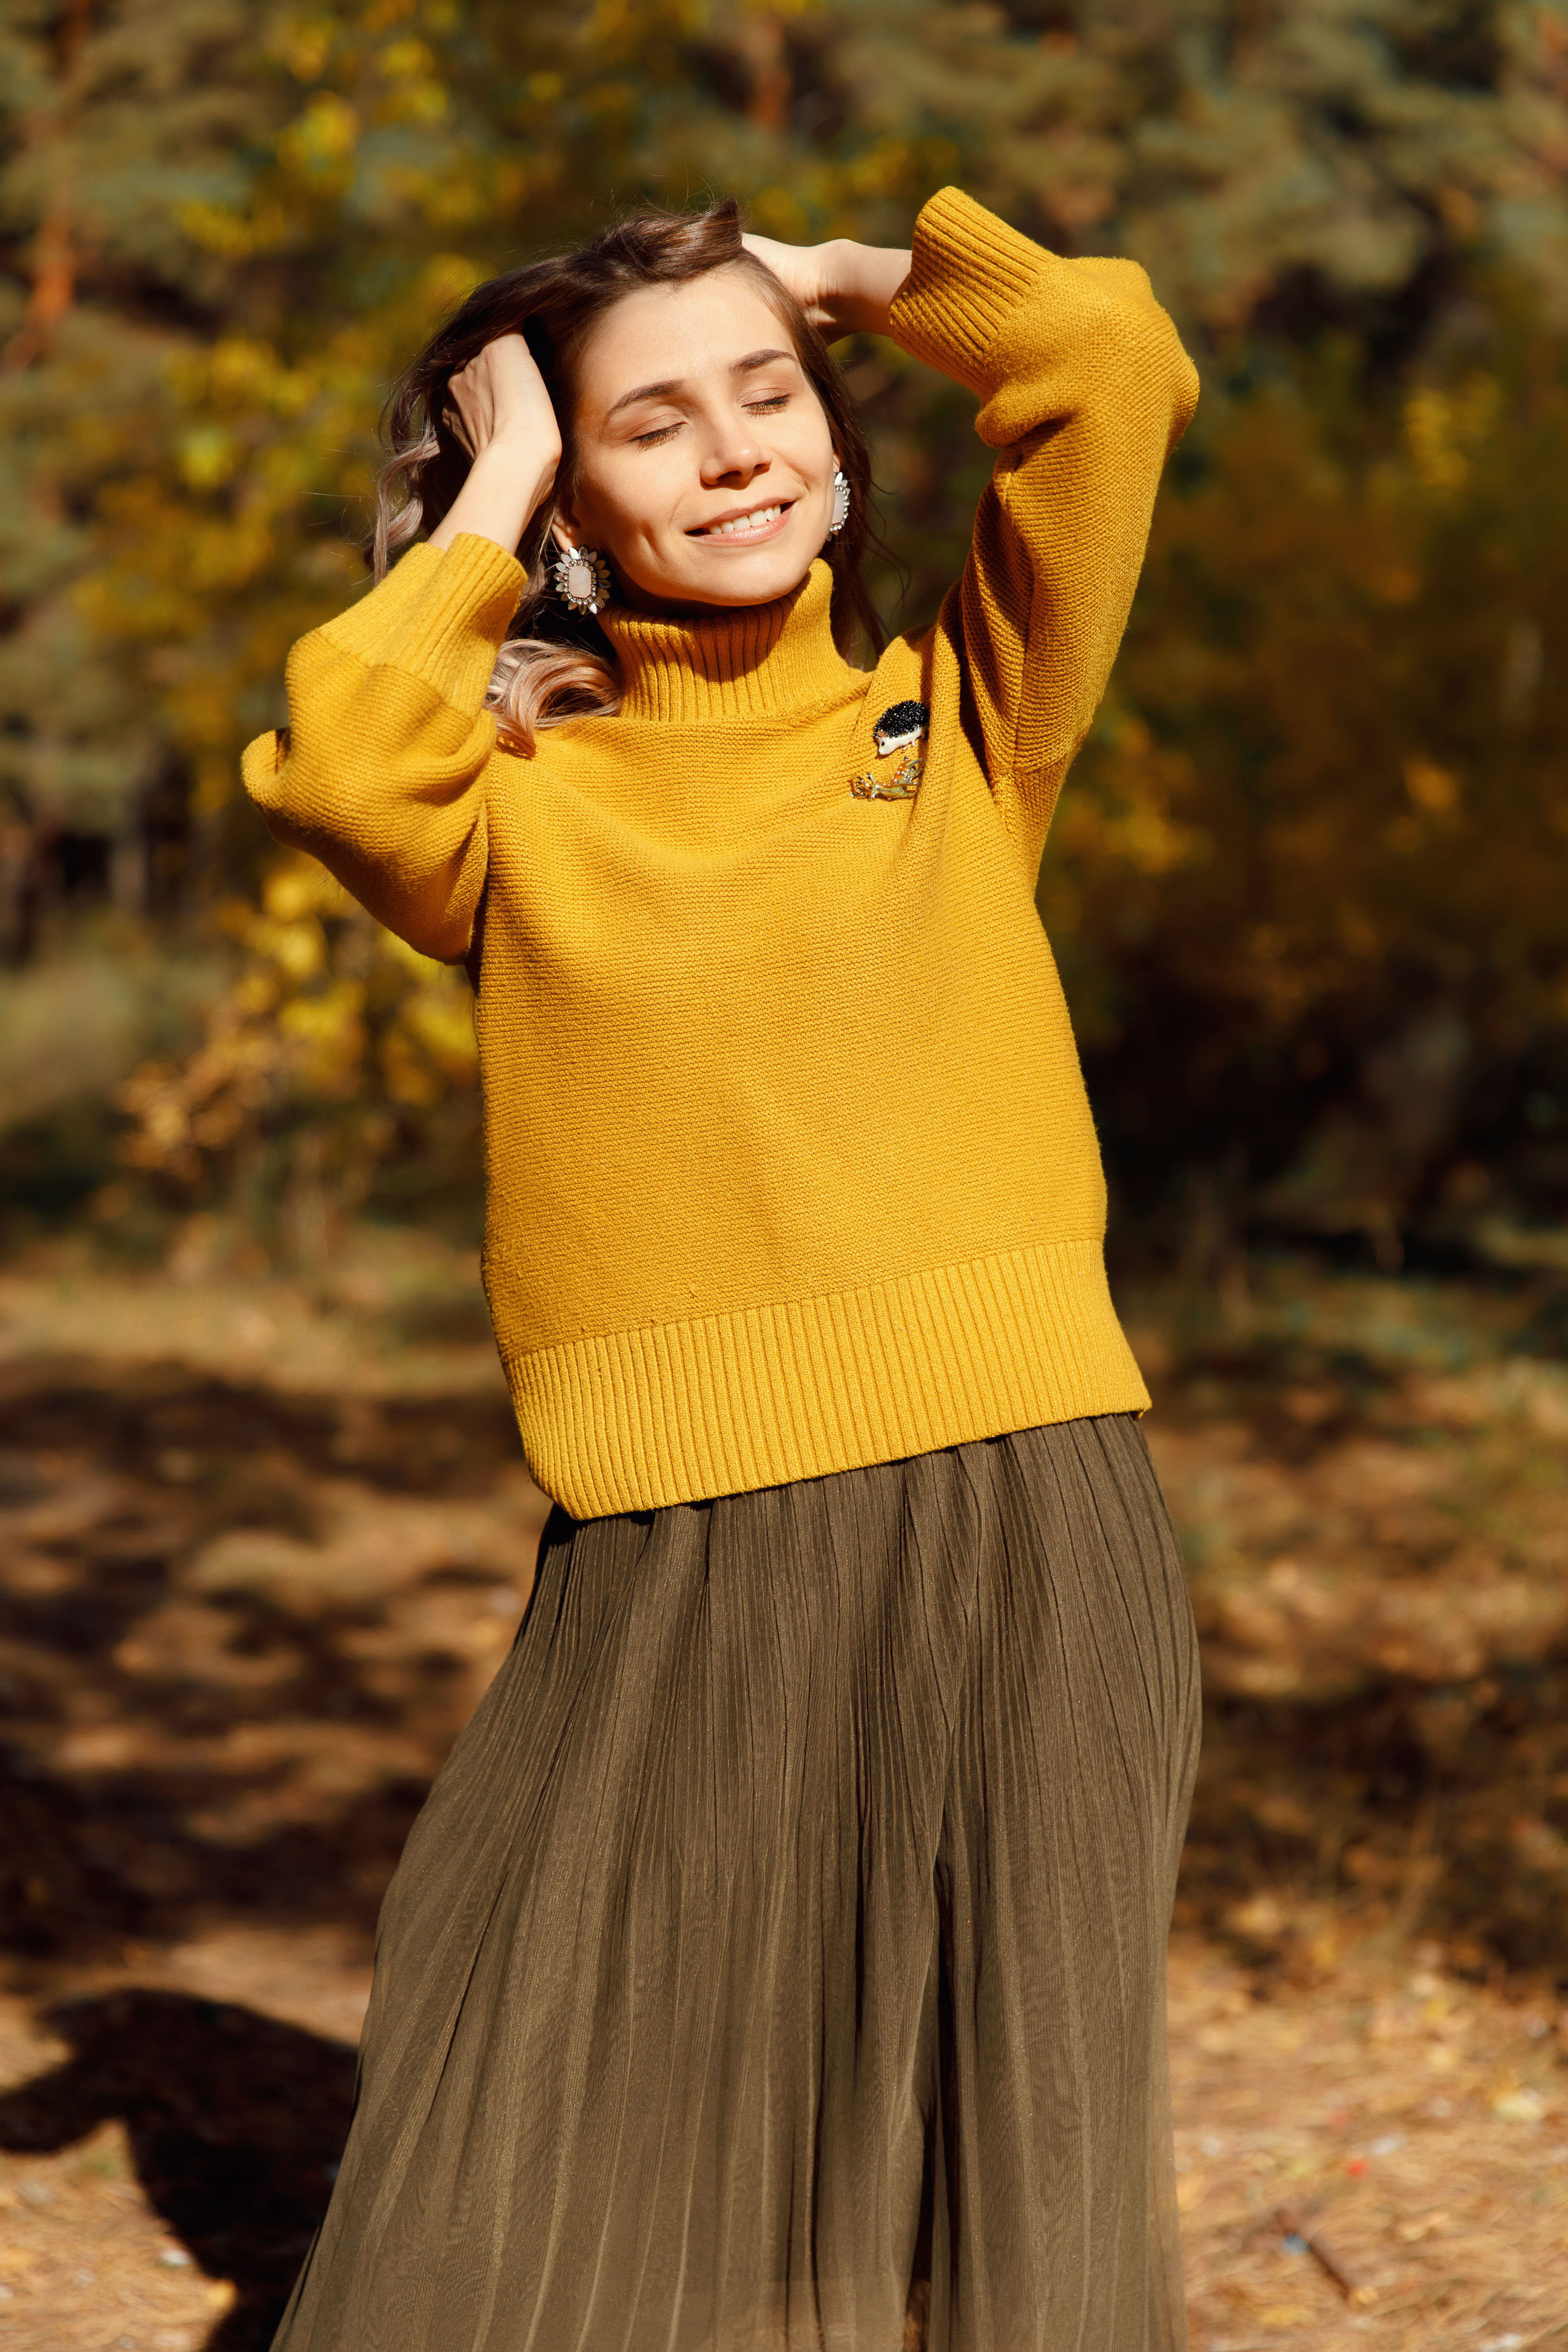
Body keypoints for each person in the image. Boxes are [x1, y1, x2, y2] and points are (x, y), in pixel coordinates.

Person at [242, 184, 1202, 2352]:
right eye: (655, 424)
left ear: (840, 434)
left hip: (1025, 1500)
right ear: (574, 498)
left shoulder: (966, 714)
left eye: (770, 398)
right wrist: (485, 488)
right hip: (669, 1526)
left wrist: (849, 275)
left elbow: (1109, 361)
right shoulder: (516, 800)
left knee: (985, 2145)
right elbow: (334, 761)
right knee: (527, 2062)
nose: (742, 448)